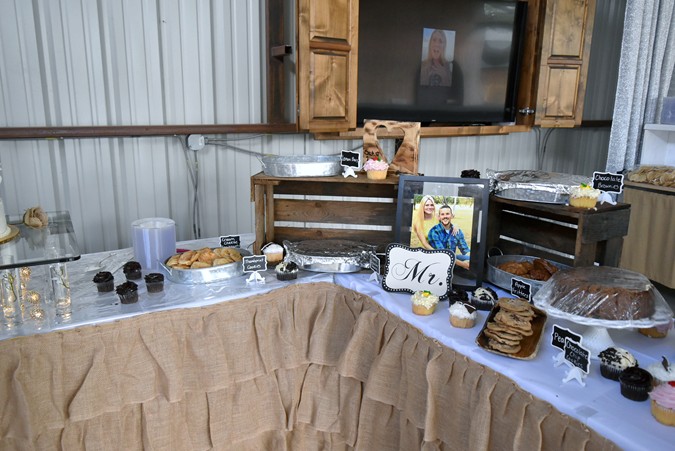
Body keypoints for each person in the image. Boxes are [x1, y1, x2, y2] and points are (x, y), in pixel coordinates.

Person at [427, 204, 470, 269]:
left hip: (453, 261)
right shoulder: (434, 232)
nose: (445, 216)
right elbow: (443, 255)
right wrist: (463, 264)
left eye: (447, 214)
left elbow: (465, 250)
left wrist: (470, 261)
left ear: (452, 216)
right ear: (439, 217)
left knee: (472, 259)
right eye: (442, 214)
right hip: (438, 263)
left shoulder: (457, 231)